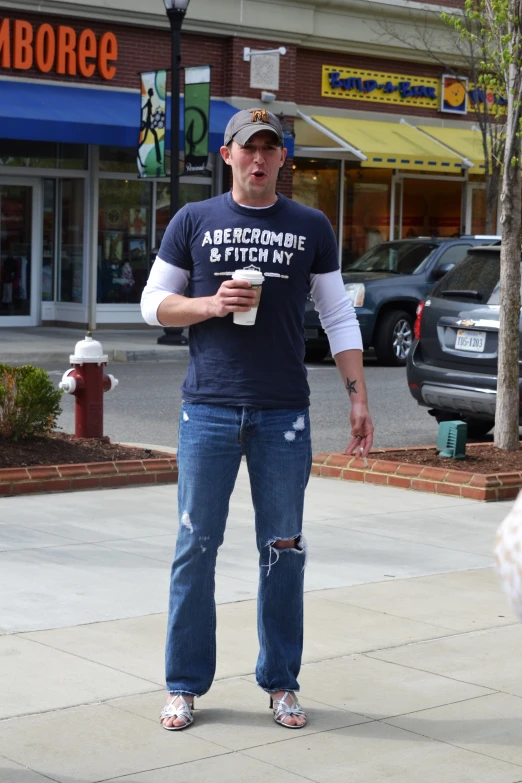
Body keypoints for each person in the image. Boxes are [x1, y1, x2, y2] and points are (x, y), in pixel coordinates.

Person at [140, 108, 374, 732]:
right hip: (209, 409)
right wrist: (210, 303)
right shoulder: (194, 220)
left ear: (282, 159)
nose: (260, 159)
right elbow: (152, 305)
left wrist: (358, 396)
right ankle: (184, 685)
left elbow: (338, 316)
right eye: (250, 149)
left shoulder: (310, 225)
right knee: (196, 546)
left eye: (271, 149)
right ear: (228, 155)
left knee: (283, 549)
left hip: (282, 415)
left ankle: (281, 683)